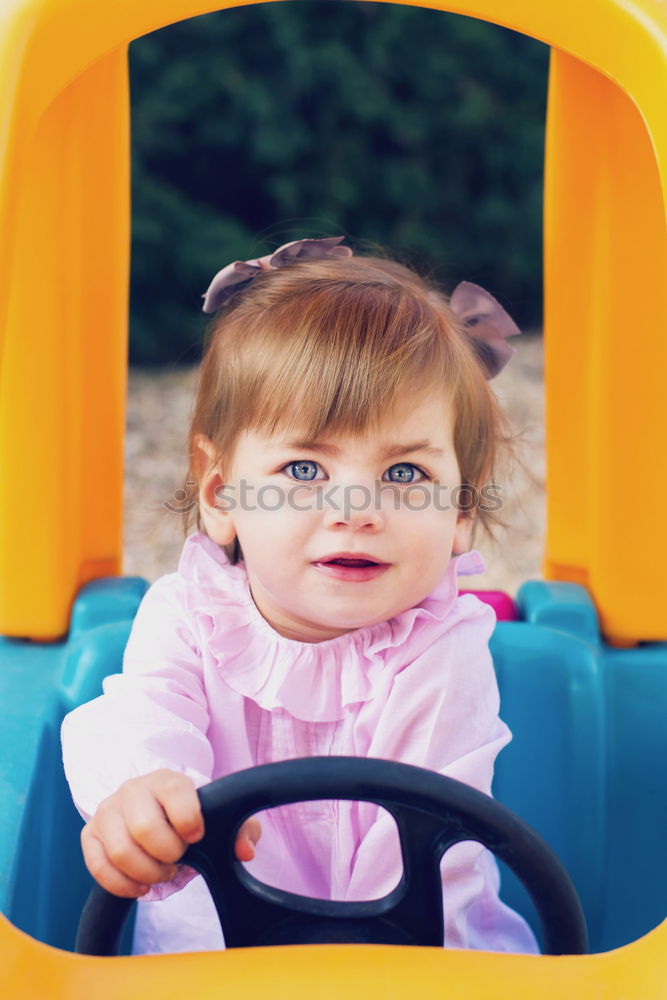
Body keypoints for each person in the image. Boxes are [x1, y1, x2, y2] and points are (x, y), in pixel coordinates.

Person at [61, 236, 538, 956]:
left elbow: (417, 869)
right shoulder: (187, 618)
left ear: (460, 512)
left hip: (420, 972)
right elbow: (137, 717)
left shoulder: (441, 654)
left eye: (405, 474)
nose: (355, 508)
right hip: (204, 975)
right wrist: (140, 796)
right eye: (304, 467)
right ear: (222, 494)